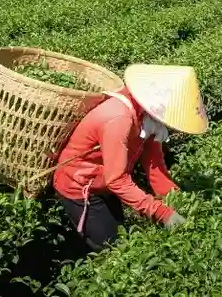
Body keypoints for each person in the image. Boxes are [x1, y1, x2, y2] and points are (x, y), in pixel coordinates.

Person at [54, 64, 207, 251]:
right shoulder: (118, 118)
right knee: (112, 248)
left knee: (120, 235)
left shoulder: (148, 118)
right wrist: (161, 213)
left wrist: (174, 199)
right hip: (79, 186)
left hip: (105, 182)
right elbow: (117, 179)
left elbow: (154, 164)